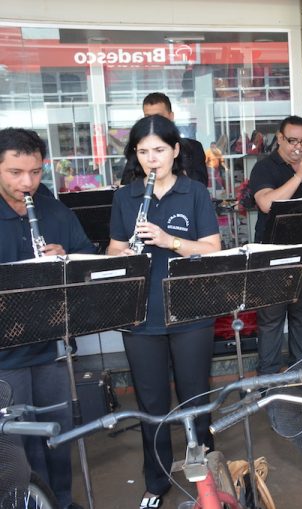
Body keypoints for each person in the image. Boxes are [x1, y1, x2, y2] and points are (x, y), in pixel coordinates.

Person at [107, 115, 221, 509]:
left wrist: (170, 240)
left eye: (159, 150)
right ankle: (156, 481)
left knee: (196, 399)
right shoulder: (125, 196)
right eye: (143, 152)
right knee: (151, 404)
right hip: (140, 315)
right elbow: (112, 248)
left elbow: (212, 248)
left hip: (191, 310)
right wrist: (125, 252)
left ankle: (206, 474)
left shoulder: (195, 193)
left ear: (175, 150)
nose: (151, 160)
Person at [0, 127, 95, 508]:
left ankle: (64, 500)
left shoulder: (54, 210)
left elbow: (88, 261)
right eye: (15, 173)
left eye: (36, 172)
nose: (27, 182)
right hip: (5, 354)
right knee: (16, 446)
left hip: (51, 346)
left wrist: (64, 260)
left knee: (59, 434)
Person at [246, 115, 302, 375]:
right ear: (280, 139)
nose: (299, 147)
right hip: (271, 256)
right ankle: (268, 383)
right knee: (271, 322)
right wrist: (298, 177)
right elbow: (266, 204)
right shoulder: (265, 167)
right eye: (293, 140)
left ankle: (300, 375)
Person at [121, 92, 208, 187]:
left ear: (171, 116)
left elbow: (201, 184)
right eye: (148, 117)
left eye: (159, 117)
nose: (153, 122)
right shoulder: (138, 148)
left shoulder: (193, 147)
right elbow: (126, 184)